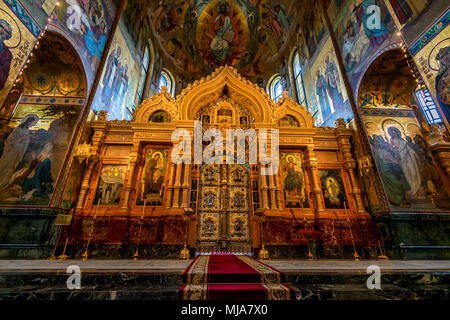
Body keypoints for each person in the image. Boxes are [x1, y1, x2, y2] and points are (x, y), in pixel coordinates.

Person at [0, 114, 39, 189]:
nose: (32, 124)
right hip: (13, 150)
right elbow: (11, 140)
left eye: (33, 123)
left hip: (19, 150)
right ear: (28, 121)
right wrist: (23, 138)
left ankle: (4, 183)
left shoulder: (26, 129)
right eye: (32, 123)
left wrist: (28, 138)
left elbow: (24, 140)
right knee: (7, 165)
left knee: (12, 166)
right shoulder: (19, 128)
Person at [0, 19, 13, 90]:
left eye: (6, 31)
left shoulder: (7, 55)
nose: (2, 31)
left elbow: (2, 80)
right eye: (1, 26)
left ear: (7, 36)